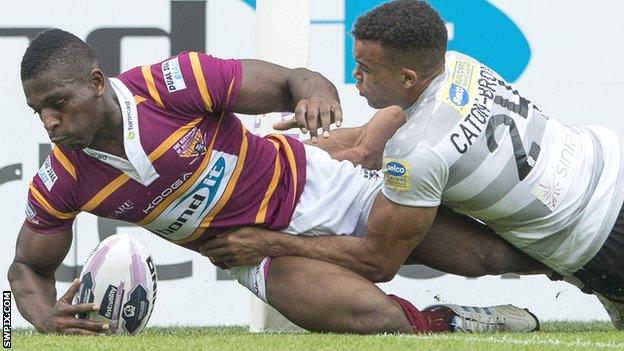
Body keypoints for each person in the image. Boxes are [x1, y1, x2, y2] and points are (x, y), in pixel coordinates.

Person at [8, 29, 538, 335]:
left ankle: (601, 278)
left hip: (323, 189)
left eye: (59, 104)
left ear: (97, 83)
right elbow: (27, 267)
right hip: (256, 256)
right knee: (366, 317)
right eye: (39, 112)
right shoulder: (62, 178)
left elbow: (294, 81)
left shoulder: (169, 85)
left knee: (492, 257)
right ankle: (459, 323)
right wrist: (43, 319)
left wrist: (317, 97)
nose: (50, 123)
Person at [201, 0, 624, 329]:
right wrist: (276, 150)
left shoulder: (417, 153)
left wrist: (271, 244)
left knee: (479, 251)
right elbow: (365, 147)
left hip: (601, 243)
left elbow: (378, 261)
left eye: (364, 69)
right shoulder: (461, 67)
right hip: (611, 163)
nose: (354, 76)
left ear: (407, 78)